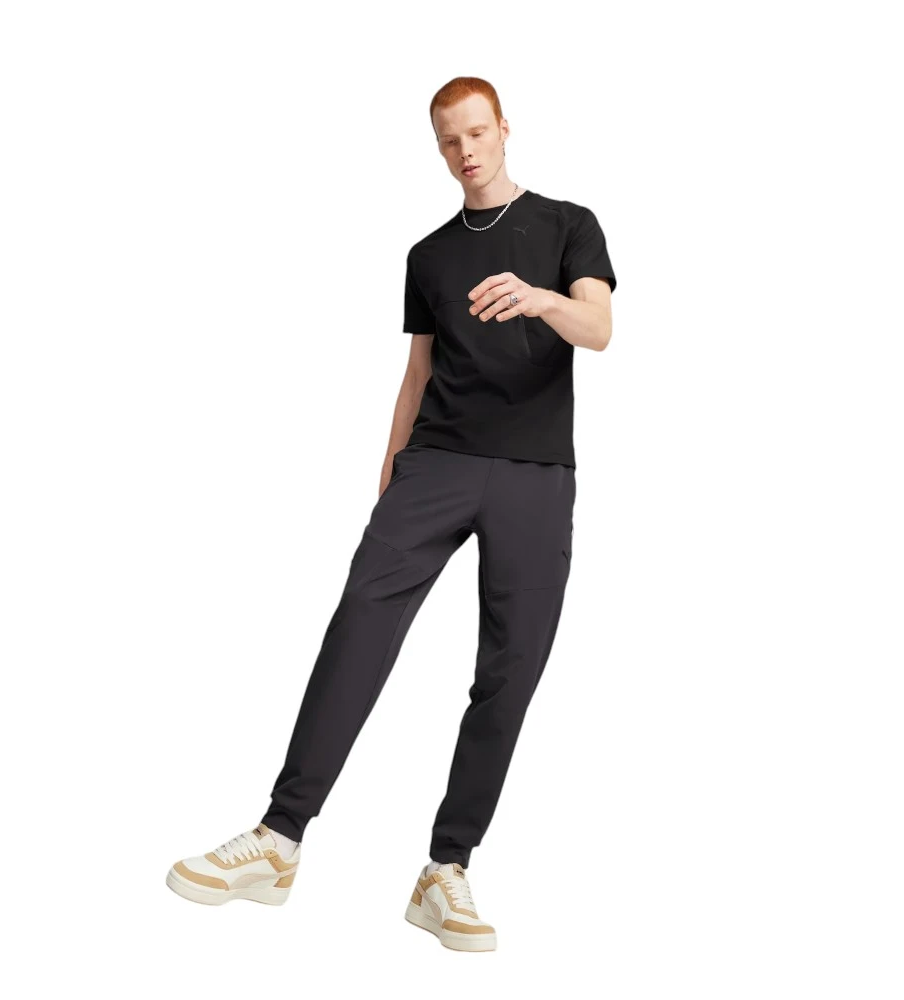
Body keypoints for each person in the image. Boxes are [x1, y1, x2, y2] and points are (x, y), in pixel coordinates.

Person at [166, 76, 617, 953]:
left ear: (504, 128)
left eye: (478, 133)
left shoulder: (569, 224)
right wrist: (391, 480)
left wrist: (541, 299)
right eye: (450, 140)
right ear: (438, 147)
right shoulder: (429, 254)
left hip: (535, 474)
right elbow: (417, 373)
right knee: (361, 622)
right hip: (436, 462)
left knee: (511, 670)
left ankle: (446, 869)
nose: (466, 151)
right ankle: (279, 838)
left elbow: (599, 328)